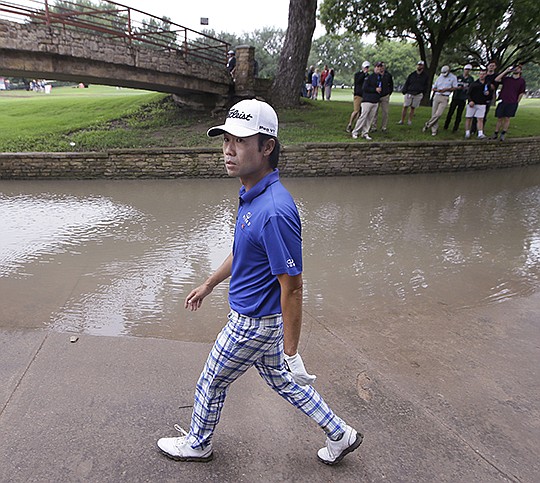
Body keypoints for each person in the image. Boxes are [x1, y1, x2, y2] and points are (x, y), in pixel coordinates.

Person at [157, 99, 362, 466]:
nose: (228, 150)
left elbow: (293, 286)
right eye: (225, 140)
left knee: (211, 381)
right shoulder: (252, 194)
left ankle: (198, 443)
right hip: (261, 323)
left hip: (252, 323)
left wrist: (292, 351)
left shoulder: (274, 211)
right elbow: (244, 252)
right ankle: (340, 434)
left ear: (267, 147)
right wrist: (209, 284)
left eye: (239, 141)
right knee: (283, 383)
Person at [491, 64, 526, 141]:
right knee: (499, 118)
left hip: (512, 102)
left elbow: (521, 92)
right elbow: (496, 79)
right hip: (503, 100)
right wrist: (506, 71)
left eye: (517, 69)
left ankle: (503, 133)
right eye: (515, 68)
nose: (516, 70)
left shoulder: (522, 81)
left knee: (507, 118)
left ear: (520, 70)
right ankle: (495, 133)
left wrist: (517, 102)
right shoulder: (507, 79)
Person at [422, 65, 458, 136]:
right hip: (437, 95)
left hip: (445, 97)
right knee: (434, 113)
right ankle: (434, 130)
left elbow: (455, 87)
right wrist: (437, 90)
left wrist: (446, 89)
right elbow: (434, 87)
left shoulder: (453, 77)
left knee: (438, 114)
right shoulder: (440, 77)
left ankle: (428, 124)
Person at [351, 62, 383, 141]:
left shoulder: (380, 78)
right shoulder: (369, 77)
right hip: (367, 100)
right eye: (377, 67)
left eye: (380, 67)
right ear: (375, 68)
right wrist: (375, 89)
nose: (379, 69)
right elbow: (365, 88)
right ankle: (355, 131)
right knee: (363, 117)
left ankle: (365, 132)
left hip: (375, 100)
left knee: (370, 118)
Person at [444, 64, 474, 132]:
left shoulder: (471, 79)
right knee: (450, 112)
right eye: (466, 69)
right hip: (456, 97)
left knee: (459, 114)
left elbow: (471, 88)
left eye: (468, 70)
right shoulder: (458, 77)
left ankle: (455, 128)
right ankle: (446, 125)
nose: (467, 71)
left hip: (463, 98)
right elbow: (453, 85)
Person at [399, 61, 429, 125]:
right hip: (409, 92)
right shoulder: (412, 74)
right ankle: (402, 120)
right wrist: (404, 90)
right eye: (418, 65)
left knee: (413, 107)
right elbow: (407, 83)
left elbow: (426, 86)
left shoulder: (425, 76)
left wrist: (423, 92)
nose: (419, 66)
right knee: (405, 106)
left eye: (421, 65)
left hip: (418, 94)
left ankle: (409, 120)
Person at [464, 68, 492, 139]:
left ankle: (480, 133)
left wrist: (488, 94)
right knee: (468, 118)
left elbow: (490, 95)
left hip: (482, 104)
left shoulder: (487, 84)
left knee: (480, 119)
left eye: (483, 74)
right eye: (480, 74)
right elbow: (468, 94)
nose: (482, 75)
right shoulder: (474, 84)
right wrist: (470, 101)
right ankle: (467, 132)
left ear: (486, 75)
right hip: (472, 104)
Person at [472, 59, 499, 133]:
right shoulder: (484, 75)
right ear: (487, 66)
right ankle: (473, 129)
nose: (491, 67)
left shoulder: (496, 76)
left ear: (495, 67)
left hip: (487, 98)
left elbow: (494, 87)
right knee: (475, 114)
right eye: (490, 66)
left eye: (493, 66)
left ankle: (480, 130)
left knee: (483, 115)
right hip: (478, 97)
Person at [346, 61, 370, 133]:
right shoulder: (358, 74)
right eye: (365, 67)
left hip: (364, 95)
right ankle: (350, 124)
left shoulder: (368, 76)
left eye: (367, 67)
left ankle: (357, 126)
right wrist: (363, 73)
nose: (366, 69)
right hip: (358, 94)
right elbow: (358, 81)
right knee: (356, 110)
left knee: (361, 112)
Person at [371, 62, 393, 132]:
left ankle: (384, 127)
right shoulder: (375, 75)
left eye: (382, 66)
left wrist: (389, 92)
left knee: (385, 112)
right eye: (380, 66)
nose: (381, 68)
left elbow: (391, 85)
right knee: (375, 112)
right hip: (376, 95)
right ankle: (374, 126)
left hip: (385, 95)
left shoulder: (388, 75)